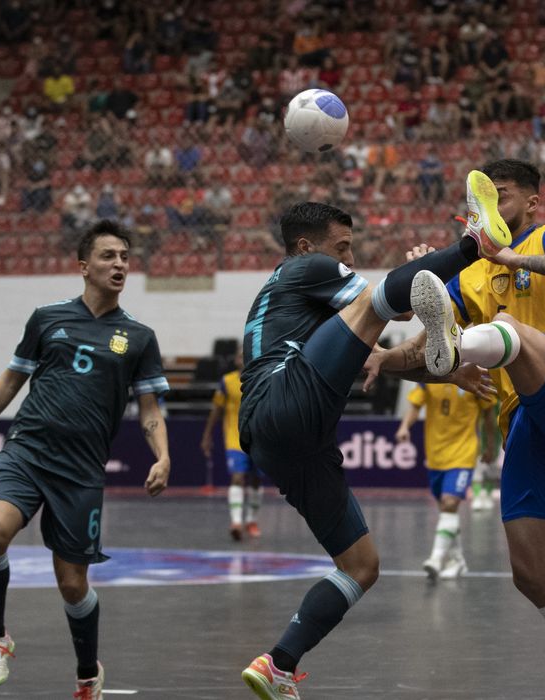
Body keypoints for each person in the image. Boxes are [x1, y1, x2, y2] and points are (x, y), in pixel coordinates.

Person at [373, 159, 545, 700]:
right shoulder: (468, 272)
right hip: (522, 423)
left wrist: (509, 255)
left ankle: (464, 341)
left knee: (507, 330)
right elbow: (422, 349)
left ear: (530, 204)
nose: (489, 209)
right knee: (531, 574)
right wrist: (385, 358)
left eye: (500, 197)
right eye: (482, 201)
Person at [238, 172, 512, 699]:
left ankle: (278, 664)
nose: (347, 256)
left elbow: (380, 349)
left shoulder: (302, 304)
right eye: (342, 248)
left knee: (361, 566)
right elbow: (388, 302)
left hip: (286, 439)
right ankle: (477, 239)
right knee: (378, 300)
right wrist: (440, 263)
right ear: (305, 246)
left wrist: (446, 368)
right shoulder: (306, 268)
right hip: (283, 398)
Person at [0, 220, 171, 699]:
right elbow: (11, 380)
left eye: (125, 258)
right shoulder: (47, 318)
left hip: (81, 471)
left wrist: (163, 455)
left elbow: (150, 407)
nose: (119, 265)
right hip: (27, 451)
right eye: (109, 256)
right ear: (84, 266)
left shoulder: (138, 336)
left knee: (72, 585)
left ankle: (88, 673)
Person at [395, 381, 496, 579]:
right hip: (436, 455)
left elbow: (489, 414)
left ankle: (436, 558)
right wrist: (404, 426)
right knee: (446, 511)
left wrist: (490, 446)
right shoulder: (428, 378)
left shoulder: (473, 376)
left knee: (450, 503)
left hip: (463, 453)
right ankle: (457, 561)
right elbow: (415, 405)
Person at [201, 346, 265, 540]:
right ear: (236, 360)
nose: (243, 359)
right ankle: (236, 521)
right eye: (239, 356)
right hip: (234, 439)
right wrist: (207, 435)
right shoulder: (227, 381)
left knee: (256, 480)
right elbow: (216, 410)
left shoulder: (262, 378)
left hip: (259, 439)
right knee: (237, 477)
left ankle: (251, 520)